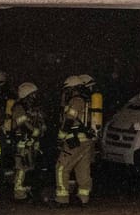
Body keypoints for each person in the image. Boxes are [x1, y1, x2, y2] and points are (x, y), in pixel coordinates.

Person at [54, 74, 103, 207]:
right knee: (83, 170)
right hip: (86, 141)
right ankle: (83, 198)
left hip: (74, 140)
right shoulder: (87, 100)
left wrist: (61, 135)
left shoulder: (76, 101)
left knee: (61, 168)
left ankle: (62, 199)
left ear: (72, 89)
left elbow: (69, 119)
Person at [7, 82, 47, 203]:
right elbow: (22, 123)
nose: (35, 97)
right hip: (22, 142)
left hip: (32, 143)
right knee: (21, 168)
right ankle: (19, 194)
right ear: (27, 95)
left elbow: (40, 121)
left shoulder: (32, 108)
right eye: (32, 95)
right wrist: (34, 131)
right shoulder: (19, 107)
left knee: (30, 167)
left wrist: (41, 129)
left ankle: (28, 191)